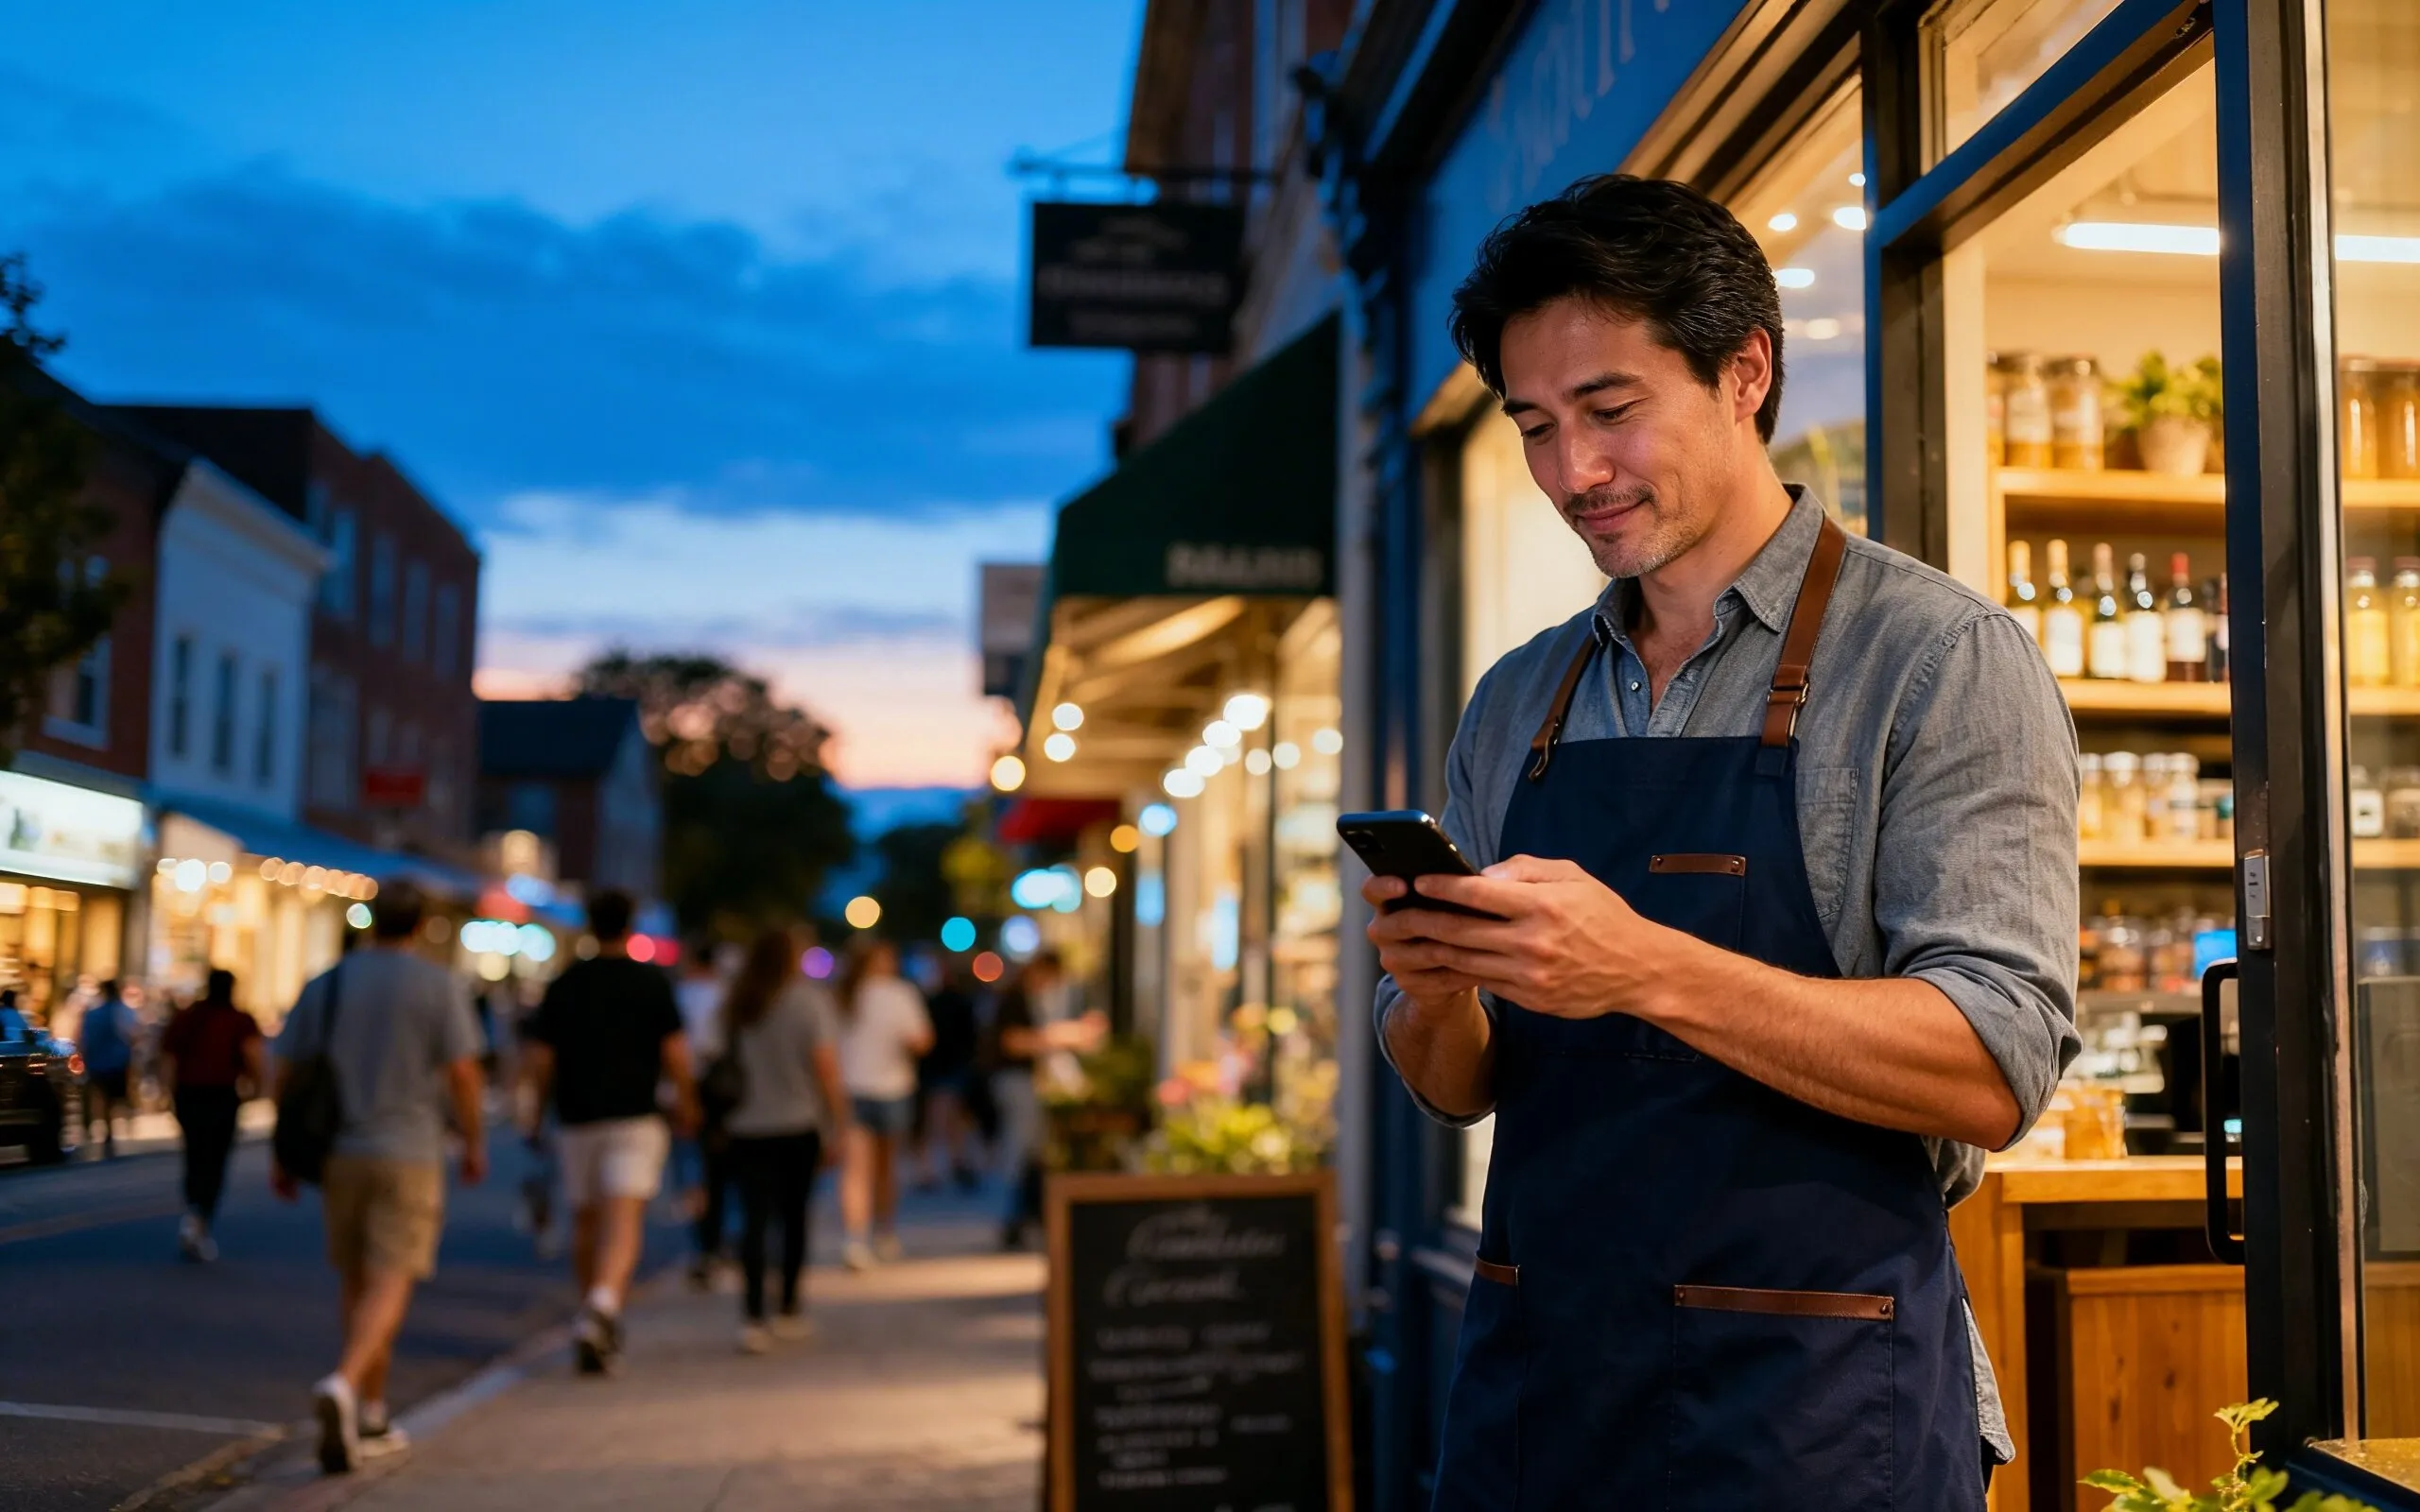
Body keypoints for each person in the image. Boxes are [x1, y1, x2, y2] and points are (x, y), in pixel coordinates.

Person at [1368, 175, 2079, 1508]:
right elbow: (1454, 1083)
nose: (1571, 471)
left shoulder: (1935, 660)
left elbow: (1996, 1064)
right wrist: (1432, 988)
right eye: (1533, 426)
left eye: (1610, 411)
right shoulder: (1520, 696)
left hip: (1813, 1415)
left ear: (1745, 372)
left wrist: (1642, 968)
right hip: (1547, 1400)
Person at [272, 882, 486, 1475]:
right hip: (410, 1151)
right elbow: (464, 1074)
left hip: (341, 1150)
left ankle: (369, 1411)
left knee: (356, 1280)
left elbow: (286, 1070)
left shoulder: (329, 982)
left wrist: (279, 1155)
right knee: (392, 1280)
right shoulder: (439, 985)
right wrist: (473, 1143)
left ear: (369, 922)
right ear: (420, 926)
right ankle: (346, 1385)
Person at [519, 890, 698, 1376]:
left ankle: (591, 1313)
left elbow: (540, 1059)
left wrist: (534, 1114)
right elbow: (676, 1054)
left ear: (589, 924)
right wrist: (686, 1104)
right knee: (623, 1219)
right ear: (631, 923)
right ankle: (604, 1303)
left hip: (576, 1115)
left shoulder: (566, 983)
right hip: (635, 1115)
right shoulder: (651, 983)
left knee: (585, 1220)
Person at [720, 928, 848, 1353]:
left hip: (746, 1124)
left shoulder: (739, 1002)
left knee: (754, 1220)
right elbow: (826, 1067)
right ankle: (789, 1306)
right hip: (798, 1123)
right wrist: (838, 1124)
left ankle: (752, 1314)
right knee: (794, 1217)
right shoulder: (807, 1001)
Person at [985, 952, 1104, 1250]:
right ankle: (1013, 1217)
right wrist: (1061, 1038)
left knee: (1032, 1149)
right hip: (1017, 1082)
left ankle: (1026, 1216)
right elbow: (1013, 1042)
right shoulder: (1015, 999)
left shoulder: (1035, 1000)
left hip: (1028, 1082)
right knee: (1021, 1148)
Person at [832, 939, 930, 1269]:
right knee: (886, 1169)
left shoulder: (842, 995)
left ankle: (854, 1239)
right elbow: (922, 1040)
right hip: (892, 1088)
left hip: (850, 1088)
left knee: (854, 1171)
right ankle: (884, 1231)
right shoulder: (900, 994)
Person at [159, 968, 263, 1262]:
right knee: (215, 1159)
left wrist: (170, 1094)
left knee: (194, 1154)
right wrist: (255, 1089)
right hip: (222, 1096)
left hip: (190, 1095)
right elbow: (254, 1057)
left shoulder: (188, 1018)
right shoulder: (239, 1020)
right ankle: (200, 1218)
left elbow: (169, 1058)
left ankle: (194, 1211)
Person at [673, 936, 734, 1286]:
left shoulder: (682, 996)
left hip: (689, 1090)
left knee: (693, 1168)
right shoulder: (725, 998)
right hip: (720, 1093)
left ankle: (704, 1244)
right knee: (721, 1170)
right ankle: (720, 1238)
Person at [912, 957, 983, 1192]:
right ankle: (949, 1163)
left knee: (940, 1116)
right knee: (949, 1116)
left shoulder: (932, 1001)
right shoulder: (962, 1002)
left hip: (939, 1067)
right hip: (950, 1066)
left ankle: (936, 1166)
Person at [76, 979, 141, 1158]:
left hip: (97, 1061)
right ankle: (111, 1128)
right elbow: (133, 1036)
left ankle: (99, 1126)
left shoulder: (93, 1014)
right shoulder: (125, 1012)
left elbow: (84, 1039)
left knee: (100, 1094)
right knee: (113, 1098)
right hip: (118, 1062)